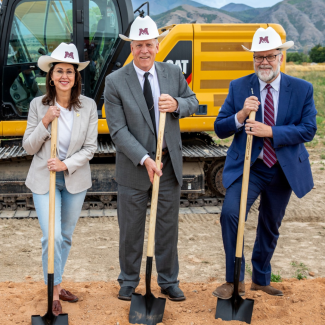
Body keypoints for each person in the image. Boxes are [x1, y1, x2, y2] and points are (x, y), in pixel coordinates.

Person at [213, 27, 317, 299]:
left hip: (283, 169)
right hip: (250, 166)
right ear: (253, 58)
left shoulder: (302, 89)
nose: (264, 62)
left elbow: (308, 129)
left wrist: (269, 131)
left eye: (270, 56)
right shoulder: (239, 86)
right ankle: (234, 280)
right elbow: (220, 128)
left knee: (270, 224)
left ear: (281, 57)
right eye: (258, 57)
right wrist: (242, 114)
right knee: (230, 214)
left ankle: (260, 279)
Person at [104, 16, 198, 301]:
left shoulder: (171, 73)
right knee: (130, 229)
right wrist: (145, 159)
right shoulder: (115, 81)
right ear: (130, 48)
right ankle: (129, 281)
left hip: (168, 164)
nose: (144, 50)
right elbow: (117, 131)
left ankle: (168, 281)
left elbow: (193, 101)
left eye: (148, 44)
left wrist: (178, 105)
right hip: (135, 167)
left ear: (157, 45)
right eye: (138, 45)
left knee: (167, 228)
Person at [23, 43, 98, 315]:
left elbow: (91, 148)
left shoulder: (88, 106)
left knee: (65, 237)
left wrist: (65, 163)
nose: (64, 75)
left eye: (70, 71)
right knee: (51, 236)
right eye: (59, 71)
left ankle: (57, 282)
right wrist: (45, 122)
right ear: (51, 76)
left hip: (74, 179)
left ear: (76, 76)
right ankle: (53, 291)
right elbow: (28, 147)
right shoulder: (37, 105)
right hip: (45, 179)